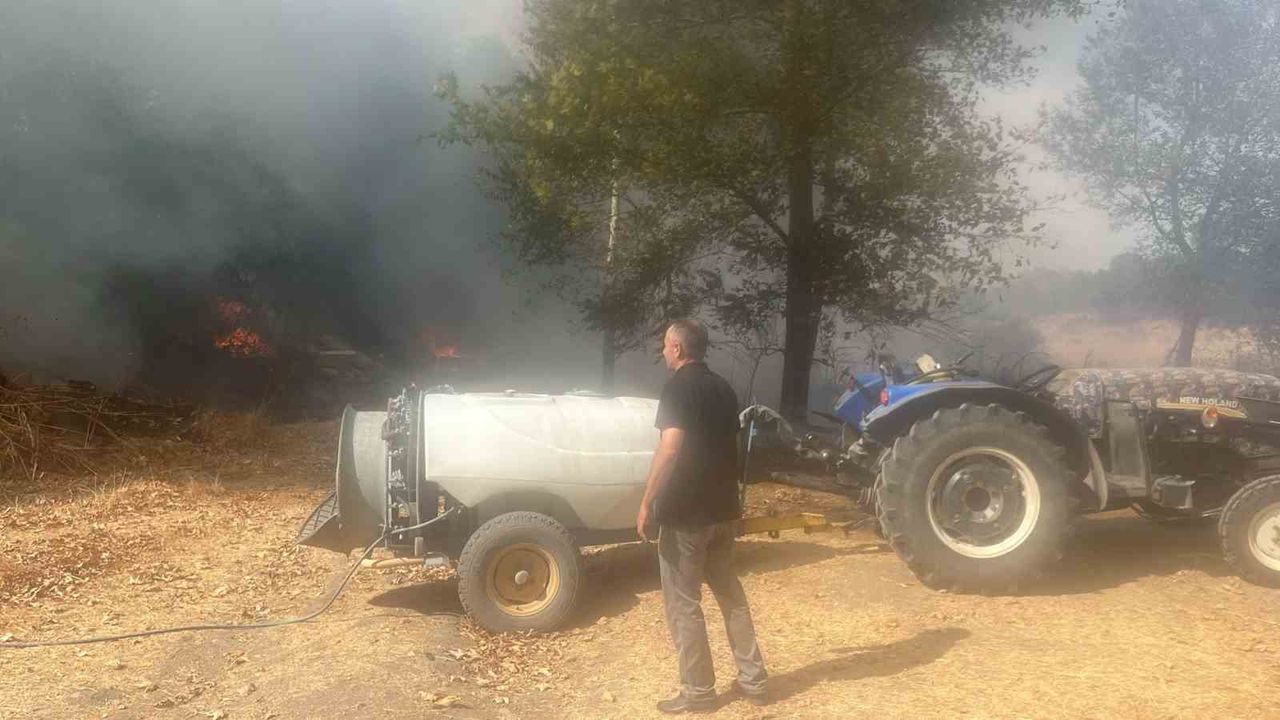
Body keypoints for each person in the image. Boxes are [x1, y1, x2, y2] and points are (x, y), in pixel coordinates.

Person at [636, 319, 769, 714]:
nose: (663, 350)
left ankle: (698, 692)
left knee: (684, 604)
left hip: (686, 515)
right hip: (723, 512)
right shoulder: (724, 389)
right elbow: (733, 449)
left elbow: (671, 447)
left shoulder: (677, 387)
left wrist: (646, 502)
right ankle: (754, 680)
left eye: (665, 344)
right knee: (730, 595)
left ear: (678, 349)